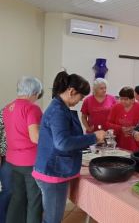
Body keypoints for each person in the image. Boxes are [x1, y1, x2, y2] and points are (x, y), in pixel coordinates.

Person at [32, 71, 106, 223]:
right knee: (53, 219)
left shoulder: (59, 107)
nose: (80, 101)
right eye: (81, 97)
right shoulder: (58, 111)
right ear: (72, 91)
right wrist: (94, 137)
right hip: (53, 172)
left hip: (51, 168)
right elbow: (63, 143)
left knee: (50, 217)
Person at [3, 76, 43, 223]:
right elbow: (35, 137)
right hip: (29, 162)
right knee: (34, 200)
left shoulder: (8, 108)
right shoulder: (32, 108)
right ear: (34, 92)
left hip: (12, 160)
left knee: (17, 198)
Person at [107, 87, 139, 151]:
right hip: (118, 143)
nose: (122, 101)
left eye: (125, 99)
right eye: (121, 98)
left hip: (135, 145)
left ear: (133, 99)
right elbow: (108, 124)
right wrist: (120, 128)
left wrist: (134, 128)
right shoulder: (115, 107)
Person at [0, 108, 11, 223]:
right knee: (8, 190)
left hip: (21, 157)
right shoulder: (5, 112)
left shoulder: (33, 111)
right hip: (6, 156)